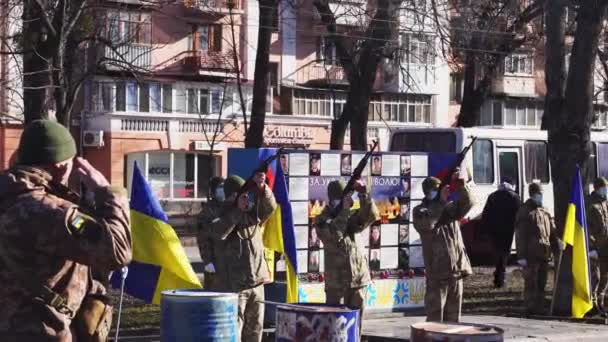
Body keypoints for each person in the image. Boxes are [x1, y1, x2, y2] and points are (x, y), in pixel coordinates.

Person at [0, 119, 132, 340]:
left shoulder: (8, 198)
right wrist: (109, 193)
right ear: (61, 167)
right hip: (40, 332)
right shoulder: (51, 213)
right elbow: (117, 252)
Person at [207, 173, 277, 342]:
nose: (246, 199)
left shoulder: (252, 212)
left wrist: (262, 188)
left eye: (247, 195)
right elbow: (218, 233)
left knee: (255, 330)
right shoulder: (221, 212)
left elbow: (270, 207)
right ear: (232, 196)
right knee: (234, 330)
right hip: (234, 284)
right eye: (241, 195)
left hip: (256, 282)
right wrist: (237, 210)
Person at [412, 170, 473, 322]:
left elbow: (469, 203)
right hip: (437, 274)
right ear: (428, 193)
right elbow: (428, 223)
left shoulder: (448, 207)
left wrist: (461, 185)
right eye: (435, 190)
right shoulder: (420, 211)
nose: (440, 192)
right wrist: (440, 202)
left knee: (453, 321)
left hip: (456, 271)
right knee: (435, 319)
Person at [316, 179, 380, 325]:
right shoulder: (321, 219)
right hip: (336, 283)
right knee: (335, 327)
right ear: (332, 199)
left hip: (357, 279)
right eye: (342, 198)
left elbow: (371, 216)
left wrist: (364, 195)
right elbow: (334, 235)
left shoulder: (351, 215)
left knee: (356, 327)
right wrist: (344, 210)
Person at [515, 183, 563, 316]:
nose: (540, 197)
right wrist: (521, 256)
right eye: (538, 194)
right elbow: (520, 235)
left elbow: (551, 232)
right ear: (532, 195)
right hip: (530, 254)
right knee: (531, 283)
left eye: (541, 194)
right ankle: (529, 308)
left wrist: (557, 243)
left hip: (544, 253)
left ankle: (539, 308)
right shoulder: (525, 211)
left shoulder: (545, 211)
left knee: (542, 282)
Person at [481, 178, 521, 288]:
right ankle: (500, 278)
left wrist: (486, 229)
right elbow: (519, 214)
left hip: (494, 229)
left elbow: (485, 214)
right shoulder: (514, 197)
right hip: (508, 229)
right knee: (504, 253)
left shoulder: (493, 196)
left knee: (497, 252)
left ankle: (498, 276)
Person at [197, 176, 225, 290]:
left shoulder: (230, 207)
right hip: (214, 261)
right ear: (213, 191)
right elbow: (203, 238)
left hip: (229, 261)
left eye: (224, 187)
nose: (222, 190)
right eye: (220, 187)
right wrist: (207, 261)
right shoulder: (207, 212)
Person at [586, 178, 608, 316]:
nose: (605, 190)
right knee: (596, 277)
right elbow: (587, 228)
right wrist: (591, 247)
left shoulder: (605, 202)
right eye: (603, 188)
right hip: (596, 247)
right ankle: (592, 305)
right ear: (597, 188)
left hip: (606, 246)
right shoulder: (590, 204)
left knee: (605, 277)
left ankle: (600, 304)